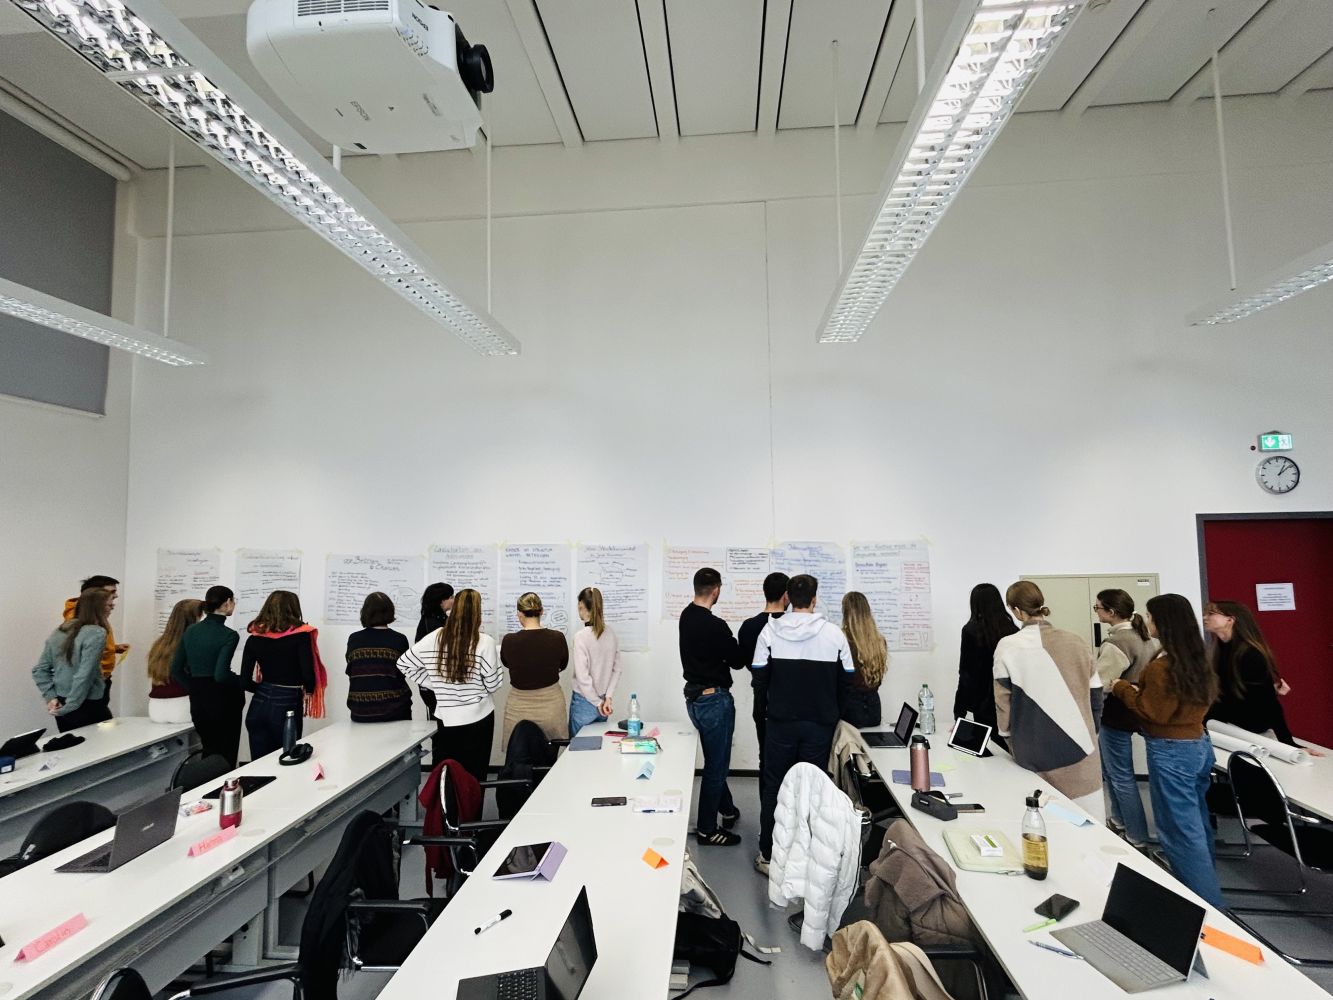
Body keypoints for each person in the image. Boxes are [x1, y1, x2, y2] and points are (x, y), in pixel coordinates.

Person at [1111, 594, 1225, 908]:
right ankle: (1205, 892)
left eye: (1150, 616)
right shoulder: (1195, 658)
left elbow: (1152, 711)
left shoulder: (1163, 666)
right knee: (1196, 824)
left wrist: (1122, 688)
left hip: (1171, 751)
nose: (1147, 622)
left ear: (1164, 622)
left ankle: (1207, 909)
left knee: (1179, 832)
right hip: (1197, 745)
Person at [751, 574, 856, 874]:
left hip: (780, 724)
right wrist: (833, 714)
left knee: (774, 786)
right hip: (819, 726)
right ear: (814, 599)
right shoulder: (834, 635)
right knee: (813, 791)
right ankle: (807, 855)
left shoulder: (769, 632)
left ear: (788, 598)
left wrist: (766, 714)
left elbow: (759, 680)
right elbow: (847, 682)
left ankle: (769, 854)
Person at [993, 581, 1105, 821]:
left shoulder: (1007, 647)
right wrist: (1090, 731)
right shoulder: (1077, 641)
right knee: (1087, 825)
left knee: (1041, 824)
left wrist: (1010, 740)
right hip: (1083, 752)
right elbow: (1096, 694)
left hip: (1033, 752)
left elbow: (1003, 705)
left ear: (1016, 610)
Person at [397, 588, 502, 785]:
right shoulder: (485, 642)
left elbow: (404, 663)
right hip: (479, 718)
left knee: (447, 773)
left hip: (445, 717)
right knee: (476, 774)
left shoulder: (435, 637)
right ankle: (473, 806)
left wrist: (434, 683)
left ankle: (447, 805)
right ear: (477, 612)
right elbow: (493, 684)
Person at [680, 567, 743, 847]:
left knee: (714, 760)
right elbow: (737, 661)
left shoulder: (686, 616)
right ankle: (707, 829)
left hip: (694, 700)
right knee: (716, 766)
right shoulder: (716, 626)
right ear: (716, 590)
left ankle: (727, 810)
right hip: (714, 702)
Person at [1093, 589, 1159, 847]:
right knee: (1118, 774)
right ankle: (1119, 821)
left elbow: (1101, 683)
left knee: (1119, 775)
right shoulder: (1147, 637)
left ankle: (1135, 834)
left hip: (1117, 713)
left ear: (1111, 612)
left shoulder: (1117, 643)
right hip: (1140, 710)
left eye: (1098, 608)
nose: (1096, 612)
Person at [241, 590, 327, 760]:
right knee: (287, 758)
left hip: (258, 704)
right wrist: (309, 689)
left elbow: (244, 681)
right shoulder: (301, 636)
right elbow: (307, 673)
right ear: (294, 609)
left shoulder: (254, 637)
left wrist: (265, 690)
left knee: (258, 764)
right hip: (287, 700)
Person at [1203, 600, 1300, 746]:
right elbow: (1225, 695)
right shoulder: (1220, 650)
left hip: (1249, 726)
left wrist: (1288, 743)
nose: (1205, 617)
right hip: (1226, 722)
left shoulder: (1251, 654)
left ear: (1230, 620)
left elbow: (1270, 703)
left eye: (1211, 613)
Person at [172, 585, 243, 765]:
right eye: (233, 601)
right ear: (227, 603)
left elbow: (176, 669)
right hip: (223, 700)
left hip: (199, 700)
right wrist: (242, 681)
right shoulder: (229, 635)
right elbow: (221, 674)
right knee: (226, 753)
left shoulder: (191, 631)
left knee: (209, 749)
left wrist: (195, 688)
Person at [33, 588, 114, 731]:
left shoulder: (61, 630)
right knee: (104, 742)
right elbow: (84, 675)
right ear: (98, 607)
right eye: (109, 605)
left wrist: (51, 697)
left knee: (71, 743)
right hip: (87, 704)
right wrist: (70, 706)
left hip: (61, 701)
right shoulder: (97, 633)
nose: (112, 608)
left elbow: (40, 670)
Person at [738, 571, 788, 800]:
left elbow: (746, 662)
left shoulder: (748, 627)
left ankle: (766, 814)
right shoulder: (792, 626)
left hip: (762, 701)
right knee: (791, 762)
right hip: (789, 701)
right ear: (786, 595)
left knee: (765, 759)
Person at [500, 593, 569, 747]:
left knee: (518, 751)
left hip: (518, 706)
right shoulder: (557, 638)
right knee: (553, 750)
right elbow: (563, 665)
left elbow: (507, 663)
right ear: (541, 611)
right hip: (551, 704)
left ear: (519, 613)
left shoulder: (509, 640)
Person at [955, 583, 1017, 743]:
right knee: (1008, 749)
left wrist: (959, 714)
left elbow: (966, 674)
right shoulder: (1013, 630)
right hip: (1010, 701)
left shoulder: (971, 631)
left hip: (983, 705)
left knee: (986, 749)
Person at [62, 574, 126, 715]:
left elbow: (88, 644)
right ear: (95, 594)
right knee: (95, 722)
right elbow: (78, 651)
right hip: (89, 683)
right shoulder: (77, 618)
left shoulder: (95, 613)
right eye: (111, 592)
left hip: (99, 679)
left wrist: (113, 648)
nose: (115, 596)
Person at [345, 592, 413, 722]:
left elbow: (351, 670)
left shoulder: (354, 639)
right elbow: (404, 672)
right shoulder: (399, 639)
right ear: (390, 611)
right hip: (396, 710)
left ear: (365, 612)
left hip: (360, 711)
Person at [569, 587, 621, 736]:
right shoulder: (611, 634)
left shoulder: (581, 637)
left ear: (581, 606)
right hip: (604, 702)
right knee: (598, 745)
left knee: (578, 746)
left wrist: (597, 703)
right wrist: (607, 698)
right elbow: (617, 669)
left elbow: (583, 677)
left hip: (584, 702)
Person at [146, 598, 202, 724]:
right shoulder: (192, 643)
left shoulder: (159, 644)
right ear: (196, 617)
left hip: (156, 707)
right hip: (183, 704)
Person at [839, 591, 888, 728]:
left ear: (846, 613)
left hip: (849, 710)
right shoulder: (879, 641)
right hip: (874, 709)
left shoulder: (842, 640)